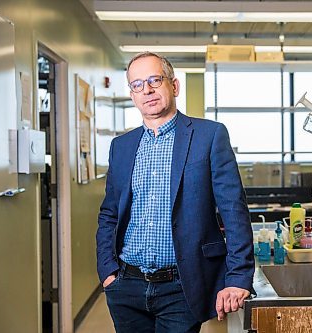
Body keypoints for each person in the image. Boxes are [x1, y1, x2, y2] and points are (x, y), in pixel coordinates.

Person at [96, 52, 254, 333]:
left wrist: (238, 277)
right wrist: (108, 271)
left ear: (174, 85)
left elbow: (234, 211)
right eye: (137, 84)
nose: (147, 90)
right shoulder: (121, 146)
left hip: (182, 286)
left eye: (155, 80)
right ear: (132, 94)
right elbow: (109, 213)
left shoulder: (210, 135)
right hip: (126, 286)